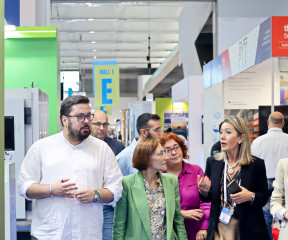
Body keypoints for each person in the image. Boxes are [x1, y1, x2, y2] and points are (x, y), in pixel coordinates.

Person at [17, 95, 123, 240]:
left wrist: (95, 195)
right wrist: (51, 190)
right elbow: (24, 186)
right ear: (64, 120)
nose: (86, 121)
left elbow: (116, 188)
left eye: (88, 116)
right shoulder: (41, 148)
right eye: (80, 116)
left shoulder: (102, 149)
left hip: (88, 233)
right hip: (49, 234)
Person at [198, 116, 270, 240]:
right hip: (220, 227)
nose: (222, 136)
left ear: (241, 138)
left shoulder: (256, 164)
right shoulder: (213, 162)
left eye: (228, 132)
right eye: (221, 132)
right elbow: (210, 197)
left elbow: (263, 196)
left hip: (248, 229)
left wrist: (251, 196)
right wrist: (203, 192)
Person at [113, 139, 187, 240]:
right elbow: (119, 225)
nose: (166, 157)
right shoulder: (127, 183)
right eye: (161, 153)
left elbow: (178, 220)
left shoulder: (171, 181)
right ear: (146, 158)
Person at [251, 111, 288, 239]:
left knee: (265, 217)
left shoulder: (257, 142)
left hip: (264, 182)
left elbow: (253, 164)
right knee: (286, 216)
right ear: (283, 124)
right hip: (286, 182)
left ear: (268, 123)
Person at [159, 132, 211, 240]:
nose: (174, 152)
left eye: (176, 147)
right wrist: (181, 213)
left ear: (182, 148)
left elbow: (206, 202)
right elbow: (155, 207)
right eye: (168, 150)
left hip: (196, 232)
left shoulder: (196, 170)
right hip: (168, 232)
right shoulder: (158, 176)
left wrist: (204, 227)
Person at [91, 110, 125, 240]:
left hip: (109, 204)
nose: (102, 128)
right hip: (87, 201)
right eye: (97, 124)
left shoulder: (117, 146)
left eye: (105, 125)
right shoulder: (83, 145)